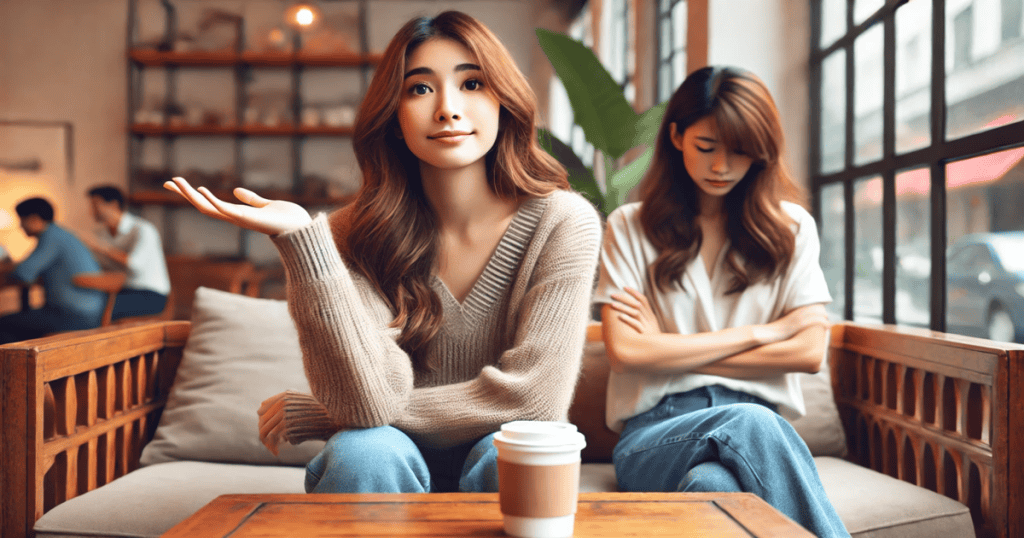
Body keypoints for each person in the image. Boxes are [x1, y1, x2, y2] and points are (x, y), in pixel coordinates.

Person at [163, 11, 601, 494]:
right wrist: (305, 243)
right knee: (363, 449)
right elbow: (369, 404)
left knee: (517, 449)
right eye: (419, 89)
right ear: (393, 116)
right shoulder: (352, 233)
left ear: (505, 102)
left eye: (472, 84)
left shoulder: (562, 220)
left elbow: (535, 400)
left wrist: (323, 414)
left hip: (501, 453)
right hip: (390, 454)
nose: (448, 109)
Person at [592, 66, 849, 537]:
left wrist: (667, 348)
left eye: (739, 152)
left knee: (711, 486)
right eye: (706, 147)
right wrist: (761, 333)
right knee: (750, 424)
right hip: (655, 434)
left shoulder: (792, 228)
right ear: (676, 136)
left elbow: (809, 354)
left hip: (754, 430)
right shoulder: (629, 226)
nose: (721, 167)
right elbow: (627, 353)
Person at [0, 197, 106, 344]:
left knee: (4, 324)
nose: (20, 226)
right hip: (86, 313)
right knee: (18, 321)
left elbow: (23, 273)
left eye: (22, 220)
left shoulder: (51, 237)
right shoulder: (59, 234)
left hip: (75, 316)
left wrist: (6, 270)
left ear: (34, 219)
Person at [81, 185, 171, 321]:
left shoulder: (143, 229)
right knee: (81, 302)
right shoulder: (100, 234)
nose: (91, 211)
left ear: (113, 205)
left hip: (151, 295)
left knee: (96, 308)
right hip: (121, 291)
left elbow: (135, 266)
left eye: (95, 205)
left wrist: (100, 247)